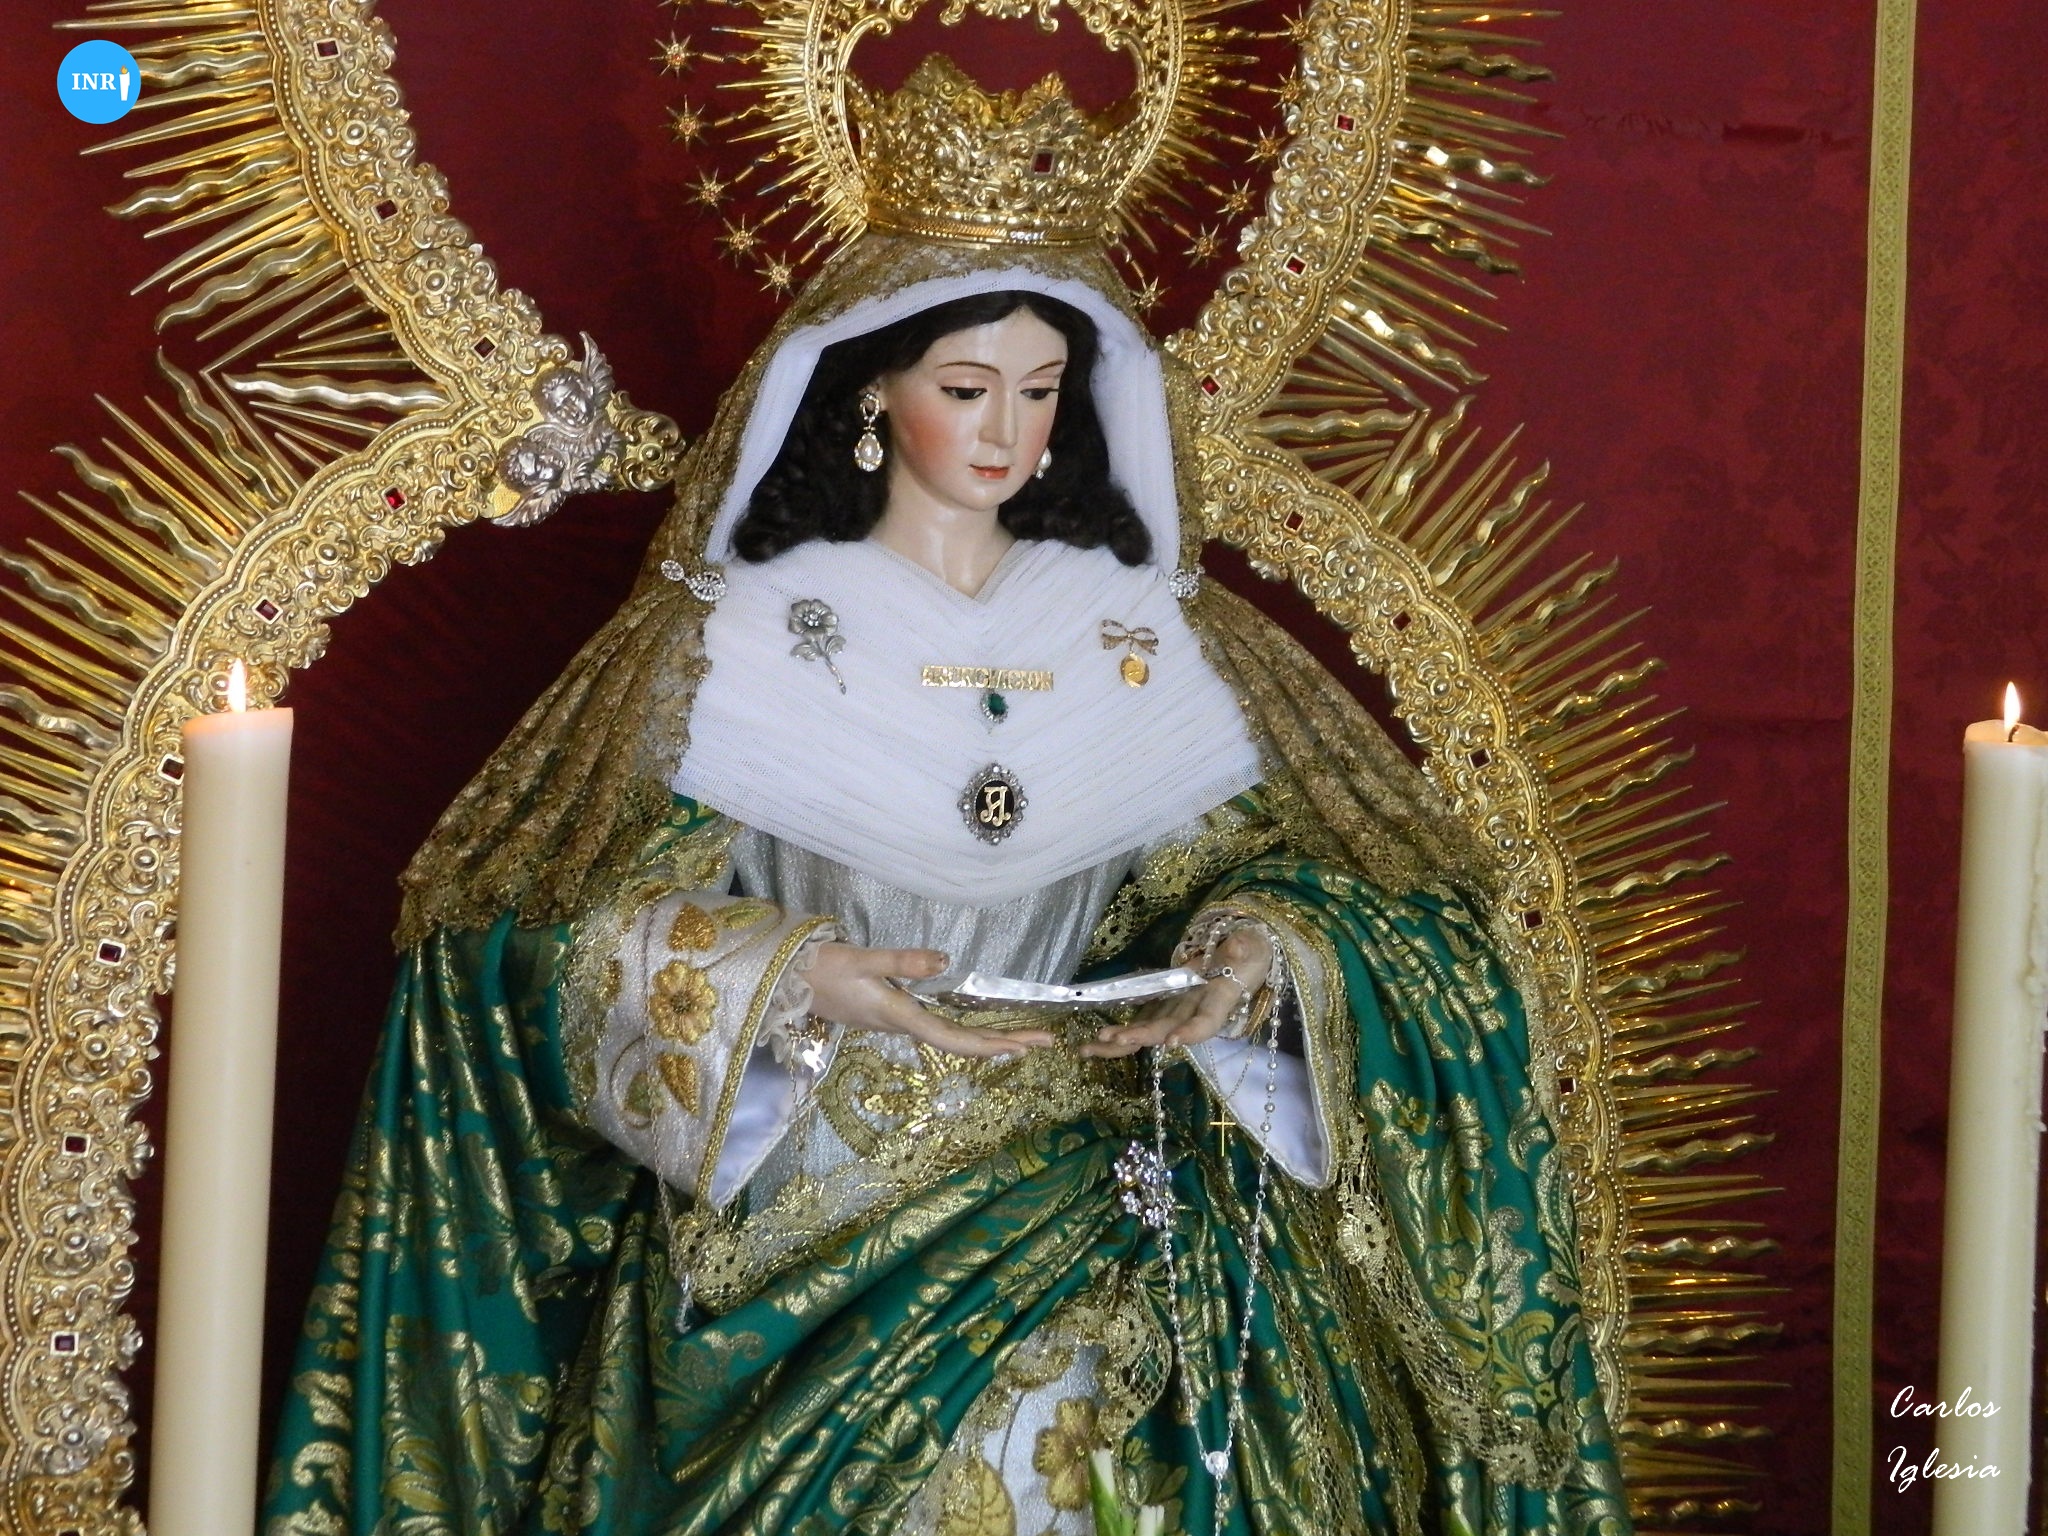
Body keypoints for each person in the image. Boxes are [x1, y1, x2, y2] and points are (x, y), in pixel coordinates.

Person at [262, 65, 1633, 1536]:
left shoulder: (1143, 640)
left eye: (1040, 393)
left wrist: (1263, 951)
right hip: (801, 1206)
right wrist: (784, 972)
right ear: (873, 388)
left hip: (1107, 1210)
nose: (1006, 435)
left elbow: (1377, 901)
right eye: (966, 390)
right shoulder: (730, 643)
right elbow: (510, 939)